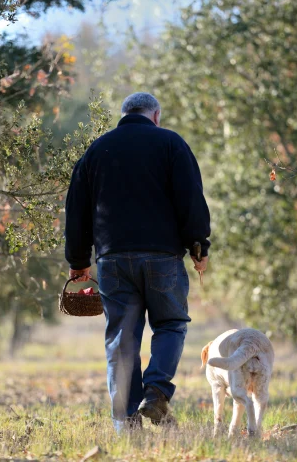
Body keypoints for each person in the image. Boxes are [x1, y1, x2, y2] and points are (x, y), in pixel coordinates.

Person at [64, 92, 211, 432]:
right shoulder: (171, 144)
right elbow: (191, 199)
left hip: (112, 259)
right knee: (171, 324)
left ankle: (126, 423)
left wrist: (78, 261)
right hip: (162, 257)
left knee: (121, 339)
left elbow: (76, 210)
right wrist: (198, 246)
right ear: (155, 115)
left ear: (124, 114)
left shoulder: (96, 151)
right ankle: (157, 390)